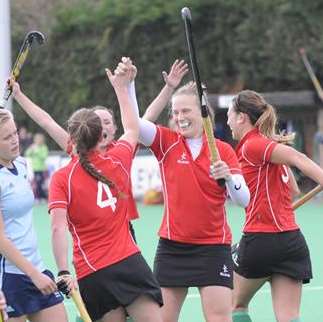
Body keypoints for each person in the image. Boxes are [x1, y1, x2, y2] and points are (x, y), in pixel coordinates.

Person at [48, 59, 163, 322]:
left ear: (72, 138)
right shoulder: (118, 159)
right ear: (102, 136)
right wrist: (121, 89)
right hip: (128, 262)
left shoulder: (62, 178)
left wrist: (63, 270)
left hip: (93, 273)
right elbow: (133, 126)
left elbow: (57, 228)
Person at [134, 67, 250, 321]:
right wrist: (166, 89)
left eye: (186, 110)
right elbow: (136, 124)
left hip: (213, 247)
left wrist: (229, 178)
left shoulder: (223, 150)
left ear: (203, 113)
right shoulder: (167, 142)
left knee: (219, 317)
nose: (179, 117)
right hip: (173, 247)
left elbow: (244, 200)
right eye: (175, 113)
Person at [226, 89, 323, 322]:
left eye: (229, 114)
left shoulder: (253, 146)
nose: (227, 121)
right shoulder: (267, 148)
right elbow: (293, 191)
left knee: (235, 305)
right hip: (291, 242)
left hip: (260, 240)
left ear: (241, 117)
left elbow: (298, 158)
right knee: (289, 316)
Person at [10, 77, 140, 241]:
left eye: (106, 122)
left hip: (122, 228)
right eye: (97, 122)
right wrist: (19, 94)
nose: (102, 126)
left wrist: (128, 86)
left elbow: (139, 121)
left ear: (114, 128)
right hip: (93, 233)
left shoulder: (122, 150)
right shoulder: (78, 151)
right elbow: (47, 122)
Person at [0, 109, 68, 322]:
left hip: (36, 267)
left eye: (15, 134)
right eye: (6, 137)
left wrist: (37, 273)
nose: (14, 141)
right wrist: (33, 274)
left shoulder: (20, 164)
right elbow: (1, 240)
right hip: (10, 278)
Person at [25, 133, 49, 202]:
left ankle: (43, 197)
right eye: (36, 139)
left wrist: (37, 151)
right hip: (34, 169)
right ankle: (40, 197)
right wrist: (31, 149)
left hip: (41, 169)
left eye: (38, 139)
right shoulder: (34, 146)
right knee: (36, 184)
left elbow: (44, 157)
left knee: (40, 184)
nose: (37, 141)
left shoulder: (44, 147)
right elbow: (27, 154)